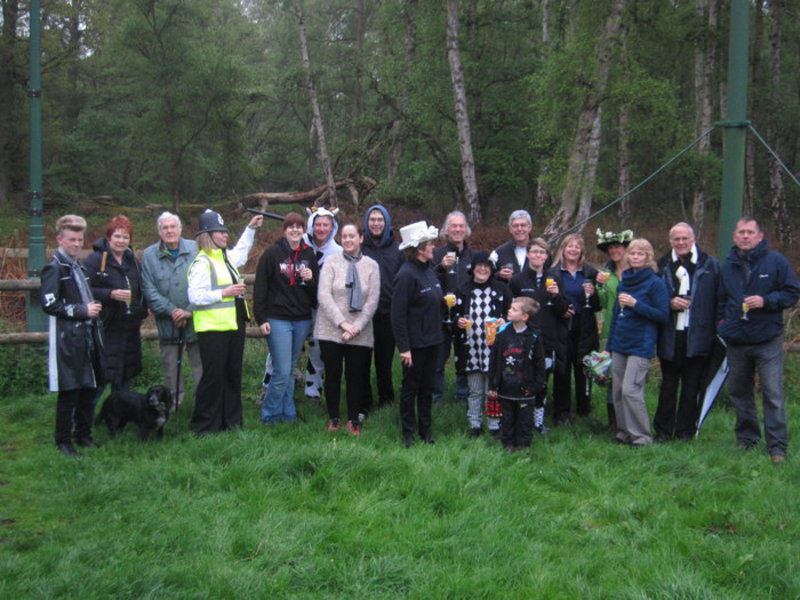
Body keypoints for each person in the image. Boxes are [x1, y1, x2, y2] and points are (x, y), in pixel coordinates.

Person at [717, 217, 799, 463]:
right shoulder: (728, 265)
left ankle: (777, 447)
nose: (745, 236)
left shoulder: (776, 262)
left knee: (772, 393)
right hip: (737, 339)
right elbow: (720, 300)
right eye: (741, 232)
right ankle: (747, 439)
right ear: (734, 237)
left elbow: (792, 293)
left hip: (767, 338)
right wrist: (722, 325)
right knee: (739, 392)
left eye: (750, 232)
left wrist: (766, 301)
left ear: (760, 236)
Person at [187, 209, 263, 435]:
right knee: (213, 378)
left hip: (233, 326)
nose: (225, 235)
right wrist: (225, 292)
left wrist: (250, 228)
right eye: (220, 232)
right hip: (212, 330)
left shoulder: (223, 257)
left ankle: (230, 422)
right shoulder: (202, 262)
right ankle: (204, 426)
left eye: (225, 231)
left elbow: (240, 252)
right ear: (208, 235)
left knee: (232, 376)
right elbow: (195, 297)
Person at [40, 215, 103, 458]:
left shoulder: (79, 265)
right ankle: (63, 440)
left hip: (87, 335)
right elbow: (49, 304)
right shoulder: (54, 267)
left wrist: (92, 307)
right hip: (67, 338)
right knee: (70, 390)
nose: (76, 244)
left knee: (90, 387)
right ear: (60, 239)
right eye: (71, 240)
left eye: (79, 239)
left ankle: (83, 434)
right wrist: (81, 310)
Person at [654, 223, 719, 441]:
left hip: (698, 335)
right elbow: (653, 297)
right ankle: (663, 431)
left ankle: (685, 431)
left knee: (692, 387)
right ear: (670, 241)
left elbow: (718, 300)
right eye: (676, 239)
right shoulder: (661, 265)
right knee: (668, 386)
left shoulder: (710, 265)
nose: (681, 243)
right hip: (671, 335)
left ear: (693, 239)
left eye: (685, 238)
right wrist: (669, 303)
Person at [253, 212, 318, 424]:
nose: (295, 230)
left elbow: (315, 294)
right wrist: (261, 318)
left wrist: (310, 280)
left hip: (301, 318)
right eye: (291, 226)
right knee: (281, 369)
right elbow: (261, 288)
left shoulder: (309, 254)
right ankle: (270, 413)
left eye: (299, 227)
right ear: (284, 230)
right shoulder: (272, 254)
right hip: (278, 318)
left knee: (290, 369)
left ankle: (287, 413)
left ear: (304, 231)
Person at [315, 223, 380, 434]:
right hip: (330, 330)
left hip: (360, 333)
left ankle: (354, 419)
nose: (348, 240)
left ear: (361, 238)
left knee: (356, 376)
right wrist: (343, 324)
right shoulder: (331, 262)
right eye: (344, 236)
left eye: (352, 236)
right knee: (333, 375)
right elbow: (323, 295)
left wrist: (356, 327)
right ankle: (334, 417)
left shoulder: (371, 265)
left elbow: (373, 300)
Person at [606, 239, 669, 447]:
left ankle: (642, 436)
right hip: (620, 342)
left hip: (641, 343)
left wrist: (636, 305)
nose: (635, 257)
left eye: (640, 254)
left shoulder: (655, 283)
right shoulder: (625, 281)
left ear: (648, 257)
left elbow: (662, 315)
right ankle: (623, 432)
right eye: (632, 253)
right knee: (617, 391)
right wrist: (609, 347)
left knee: (630, 391)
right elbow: (616, 314)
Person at [83, 215, 147, 406]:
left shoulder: (133, 261)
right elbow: (85, 290)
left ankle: (119, 417)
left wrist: (141, 311)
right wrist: (110, 294)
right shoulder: (96, 260)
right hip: (106, 327)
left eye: (125, 237)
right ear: (109, 237)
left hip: (128, 328)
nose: (121, 241)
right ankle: (81, 423)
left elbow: (140, 289)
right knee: (102, 376)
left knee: (125, 375)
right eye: (117, 236)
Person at [141, 211, 202, 412]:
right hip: (168, 322)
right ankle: (172, 406)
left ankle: (202, 405)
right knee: (170, 368)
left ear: (180, 229)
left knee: (201, 366)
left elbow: (205, 282)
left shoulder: (195, 249)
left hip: (196, 319)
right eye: (164, 228)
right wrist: (173, 311)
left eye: (172, 227)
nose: (169, 231)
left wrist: (189, 311)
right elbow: (149, 289)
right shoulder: (149, 255)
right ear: (159, 232)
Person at [391, 221, 443, 448]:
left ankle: (426, 430)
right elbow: (397, 315)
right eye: (430, 244)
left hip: (433, 341)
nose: (434, 247)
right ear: (420, 249)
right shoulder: (406, 275)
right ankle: (408, 433)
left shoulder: (429, 271)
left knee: (427, 388)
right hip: (415, 345)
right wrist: (404, 348)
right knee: (411, 388)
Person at [509, 238, 569, 433]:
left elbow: (562, 312)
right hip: (523, 339)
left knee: (541, 382)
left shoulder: (555, 278)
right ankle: (520, 419)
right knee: (521, 378)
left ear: (547, 256)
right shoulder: (518, 280)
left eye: (542, 253)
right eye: (534, 252)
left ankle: (538, 422)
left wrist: (556, 295)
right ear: (528, 254)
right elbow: (509, 311)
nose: (538, 256)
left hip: (547, 339)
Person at [453, 250, 511, 437]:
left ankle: (494, 424)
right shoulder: (462, 290)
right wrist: (458, 322)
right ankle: (474, 424)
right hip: (471, 349)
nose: (483, 269)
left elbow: (512, 313)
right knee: (475, 390)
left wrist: (505, 321)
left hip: (495, 349)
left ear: (491, 269)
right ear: (473, 269)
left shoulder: (501, 289)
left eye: (487, 266)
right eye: (480, 266)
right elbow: (452, 316)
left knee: (492, 389)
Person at [550, 234, 601, 424]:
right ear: (563, 249)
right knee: (562, 369)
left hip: (584, 326)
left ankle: (584, 409)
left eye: (577, 247)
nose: (573, 250)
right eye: (569, 246)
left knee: (583, 369)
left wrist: (594, 294)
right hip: (562, 326)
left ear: (582, 251)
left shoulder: (590, 273)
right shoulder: (554, 273)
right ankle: (561, 411)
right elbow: (549, 303)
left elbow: (597, 306)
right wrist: (561, 309)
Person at [488, 296, 547, 452]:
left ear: (524, 316)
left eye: (514, 309)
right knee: (507, 418)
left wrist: (536, 386)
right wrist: (493, 384)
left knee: (524, 419)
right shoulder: (502, 335)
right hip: (506, 387)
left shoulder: (534, 337)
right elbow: (494, 361)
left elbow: (540, 364)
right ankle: (507, 444)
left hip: (525, 389)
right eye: (510, 307)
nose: (509, 310)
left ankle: (523, 445)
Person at [361, 204, 404, 410]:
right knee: (361, 360)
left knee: (384, 362)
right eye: (372, 220)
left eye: (380, 220)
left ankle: (386, 400)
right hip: (362, 315)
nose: (376, 224)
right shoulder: (360, 247)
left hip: (388, 314)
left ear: (387, 223)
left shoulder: (398, 250)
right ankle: (364, 401)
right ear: (366, 223)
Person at [432, 210, 473, 403]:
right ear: (446, 231)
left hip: (465, 317)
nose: (457, 229)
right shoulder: (436, 254)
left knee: (464, 358)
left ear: (466, 230)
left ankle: (462, 396)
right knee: (438, 360)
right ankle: (436, 397)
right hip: (440, 316)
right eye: (453, 226)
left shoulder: (473, 257)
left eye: (461, 226)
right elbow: (426, 280)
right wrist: (440, 267)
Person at [301, 207, 342, 399]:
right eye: (318, 224)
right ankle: (272, 387)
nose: (321, 229)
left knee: (318, 353)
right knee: (285, 351)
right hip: (296, 308)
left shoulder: (338, 252)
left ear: (332, 227)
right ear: (311, 225)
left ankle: (313, 393)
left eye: (326, 225)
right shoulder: (298, 244)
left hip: (322, 312)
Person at [594, 228, 633, 428]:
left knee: (630, 380)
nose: (614, 251)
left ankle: (631, 421)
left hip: (633, 331)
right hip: (611, 330)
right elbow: (601, 303)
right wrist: (599, 286)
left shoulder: (637, 272)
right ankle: (614, 424)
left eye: (618, 247)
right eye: (611, 248)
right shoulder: (606, 274)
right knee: (612, 377)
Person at [493, 210, 533, 282]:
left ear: (529, 228)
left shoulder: (540, 251)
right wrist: (499, 275)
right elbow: (488, 276)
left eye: (523, 225)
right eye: (515, 226)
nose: (519, 229)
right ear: (510, 229)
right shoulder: (499, 252)